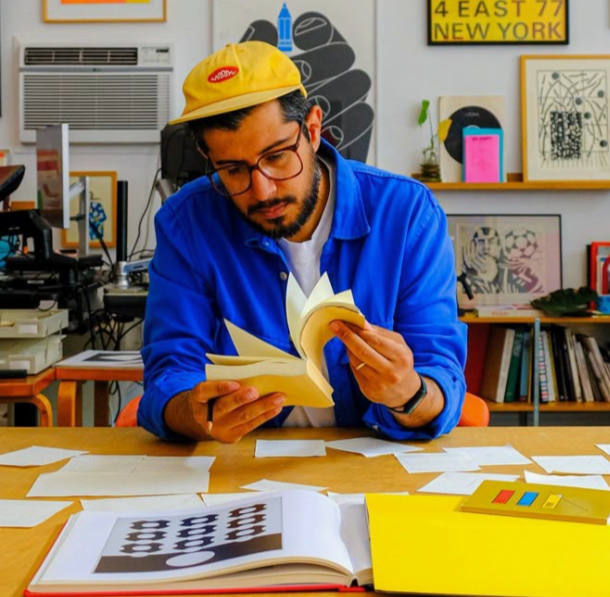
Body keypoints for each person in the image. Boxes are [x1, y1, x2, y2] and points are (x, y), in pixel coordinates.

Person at [139, 41, 467, 443]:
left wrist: (410, 394)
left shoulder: (406, 214)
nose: (261, 191)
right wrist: (195, 412)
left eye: (277, 156)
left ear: (313, 129)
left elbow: (442, 376)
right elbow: (168, 374)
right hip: (241, 471)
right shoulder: (186, 223)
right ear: (209, 159)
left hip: (378, 468)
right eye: (233, 170)